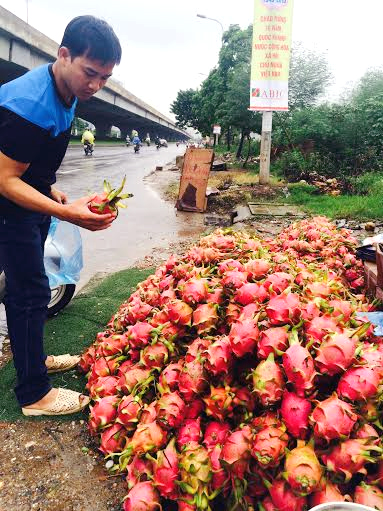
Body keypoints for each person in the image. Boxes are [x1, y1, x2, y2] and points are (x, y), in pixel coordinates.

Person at [0, 15, 121, 416]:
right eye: (90, 73)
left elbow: (27, 164)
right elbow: (5, 179)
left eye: (104, 77)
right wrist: (66, 213)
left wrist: (49, 188)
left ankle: (34, 360)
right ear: (63, 54)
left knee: (32, 289)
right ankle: (34, 394)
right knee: (29, 293)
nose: (95, 85)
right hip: (7, 205)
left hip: (27, 196)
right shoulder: (32, 104)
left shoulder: (67, 93)